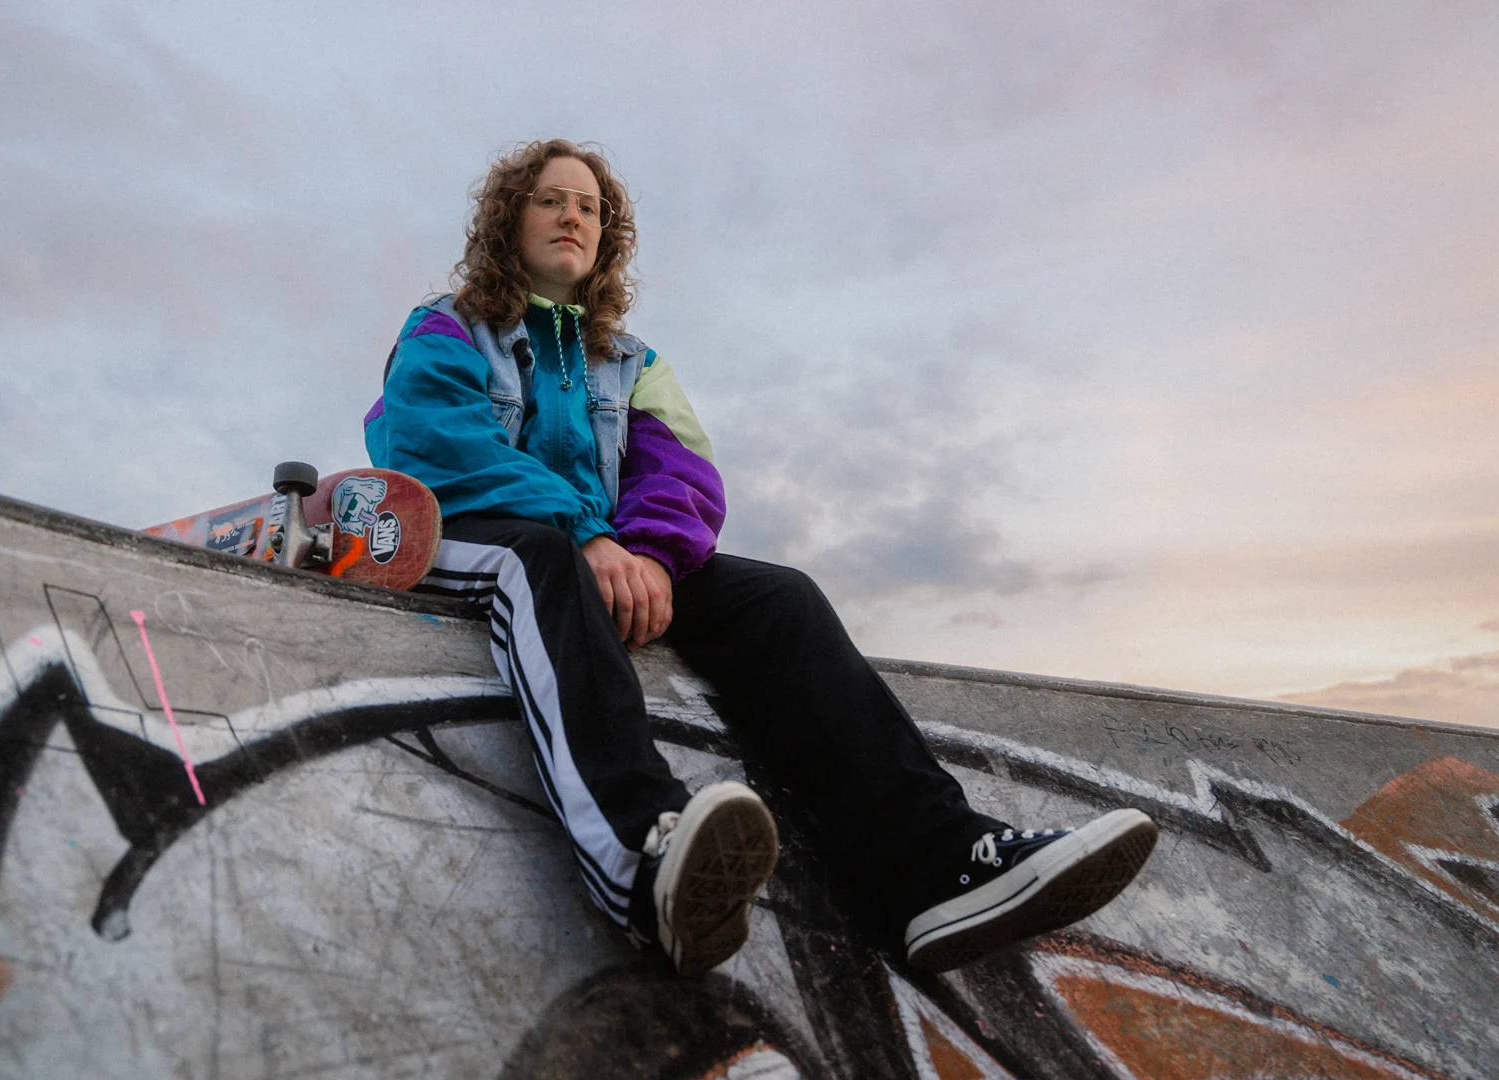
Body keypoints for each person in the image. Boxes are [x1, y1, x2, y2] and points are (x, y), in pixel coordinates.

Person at [363, 139, 1157, 976]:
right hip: (456, 530)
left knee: (780, 599)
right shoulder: (448, 327)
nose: (573, 217)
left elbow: (681, 472)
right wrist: (582, 533)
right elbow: (432, 438)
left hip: (604, 552)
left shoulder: (633, 363)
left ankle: (936, 868)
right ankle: (639, 860)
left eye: (590, 207)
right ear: (507, 218)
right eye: (551, 200)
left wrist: (651, 558)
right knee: (541, 561)